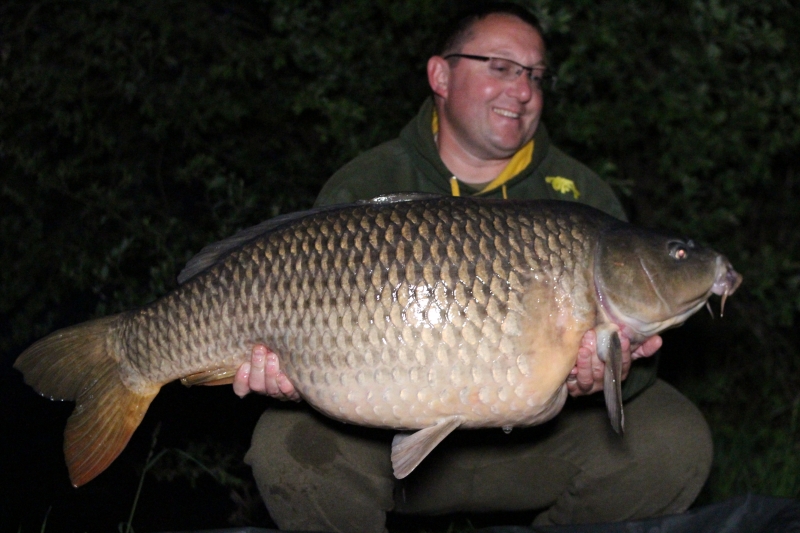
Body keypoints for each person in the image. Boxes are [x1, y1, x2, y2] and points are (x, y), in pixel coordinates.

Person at [233, 4, 712, 532]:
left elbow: (636, 363)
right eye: (501, 67)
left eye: (534, 74)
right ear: (441, 75)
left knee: (673, 441)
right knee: (286, 448)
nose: (523, 89)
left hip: (536, 448)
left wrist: (608, 376)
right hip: (382, 443)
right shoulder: (369, 180)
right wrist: (295, 373)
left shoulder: (578, 197)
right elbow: (306, 322)